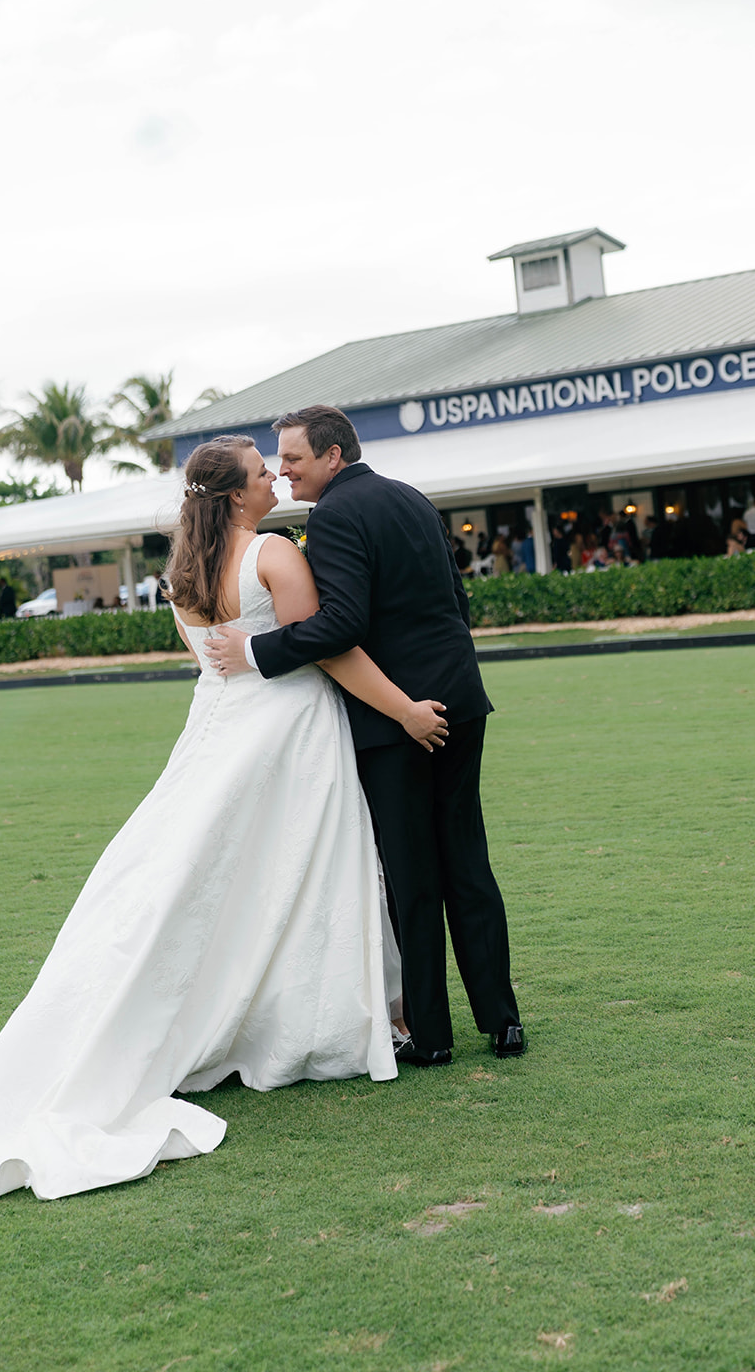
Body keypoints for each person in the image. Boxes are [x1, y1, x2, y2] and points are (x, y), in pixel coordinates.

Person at [0, 435, 450, 1202]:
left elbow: (212, 666)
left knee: (208, 870)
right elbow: (329, 651)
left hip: (218, 733)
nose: (275, 480)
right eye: (261, 474)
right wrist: (405, 711)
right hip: (288, 735)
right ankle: (309, 1015)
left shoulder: (180, 573)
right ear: (236, 496)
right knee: (297, 869)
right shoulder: (276, 555)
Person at [206, 405, 524, 1069]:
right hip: (460, 701)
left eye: (292, 458)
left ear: (333, 456)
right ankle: (502, 1022)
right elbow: (454, 606)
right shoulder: (410, 497)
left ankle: (432, 1037)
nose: (285, 471)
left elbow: (340, 626)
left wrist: (258, 651)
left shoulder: (336, 518)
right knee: (467, 862)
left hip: (397, 717)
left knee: (412, 875)